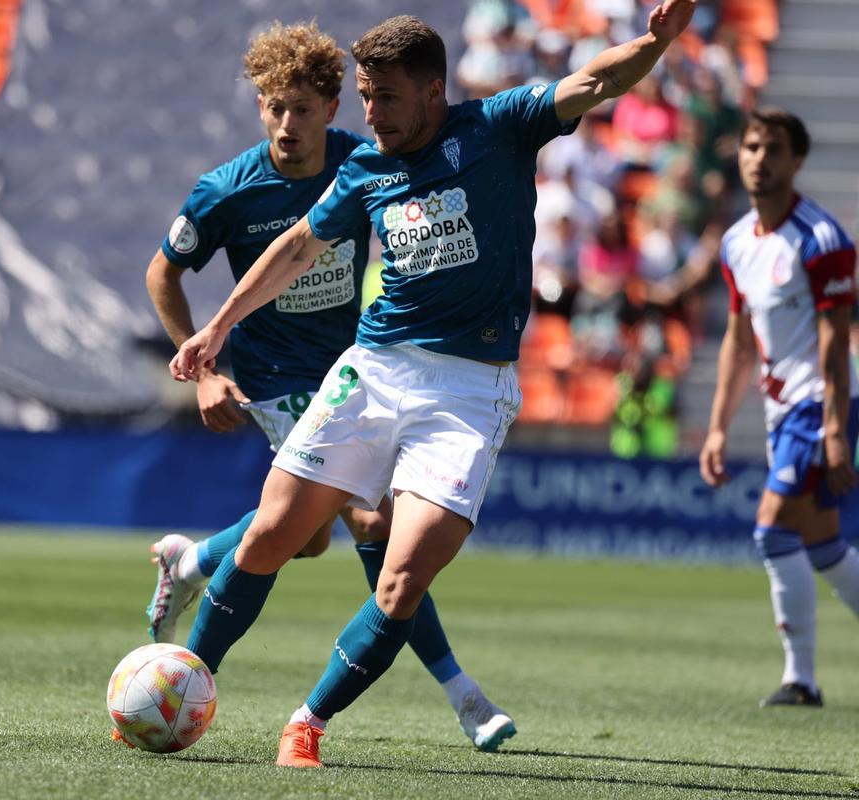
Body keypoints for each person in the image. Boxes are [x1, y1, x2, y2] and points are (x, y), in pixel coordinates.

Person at [170, 2, 696, 768]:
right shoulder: (365, 166)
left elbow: (591, 81)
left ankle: (307, 724)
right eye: (364, 94)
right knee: (273, 535)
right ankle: (186, 680)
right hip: (374, 368)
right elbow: (296, 246)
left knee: (401, 577)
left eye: (385, 95)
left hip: (469, 391)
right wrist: (216, 328)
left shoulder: (500, 126)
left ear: (433, 90)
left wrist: (654, 41)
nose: (370, 112)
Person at [142, 20, 515, 751]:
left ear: (334, 108)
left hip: (357, 361)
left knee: (310, 541)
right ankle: (461, 692)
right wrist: (208, 370)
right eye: (274, 106)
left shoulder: (362, 161)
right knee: (364, 526)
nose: (287, 123)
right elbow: (163, 273)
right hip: (276, 372)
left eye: (303, 108)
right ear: (259, 107)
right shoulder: (227, 190)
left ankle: (188, 562)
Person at [699, 108, 859, 708]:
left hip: (818, 405)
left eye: (773, 149)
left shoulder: (821, 239)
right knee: (821, 546)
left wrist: (838, 429)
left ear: (797, 160)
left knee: (771, 531)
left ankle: (801, 680)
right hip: (781, 408)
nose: (759, 159)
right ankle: (804, 680)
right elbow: (739, 340)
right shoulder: (737, 241)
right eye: (751, 147)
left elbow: (835, 341)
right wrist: (717, 427)